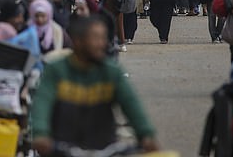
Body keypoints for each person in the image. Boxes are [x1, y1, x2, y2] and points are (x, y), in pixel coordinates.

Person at [31, 15, 159, 156]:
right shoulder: (57, 70)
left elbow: (131, 103)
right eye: (96, 38)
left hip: (105, 147)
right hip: (63, 147)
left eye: (103, 38)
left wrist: (146, 134)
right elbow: (42, 103)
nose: (102, 44)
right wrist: (40, 133)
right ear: (78, 42)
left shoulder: (111, 71)